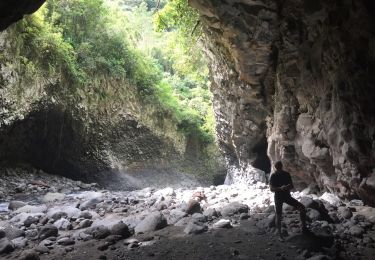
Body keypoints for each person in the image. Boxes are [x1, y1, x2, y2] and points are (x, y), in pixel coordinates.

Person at [269, 161, 308, 241]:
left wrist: (286, 187)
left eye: (279, 166)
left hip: (286, 196)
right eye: (278, 166)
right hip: (279, 197)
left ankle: (304, 227)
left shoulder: (285, 174)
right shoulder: (274, 176)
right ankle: (280, 235)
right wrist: (281, 188)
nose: (278, 167)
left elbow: (291, 186)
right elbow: (272, 189)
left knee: (301, 207)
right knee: (279, 215)